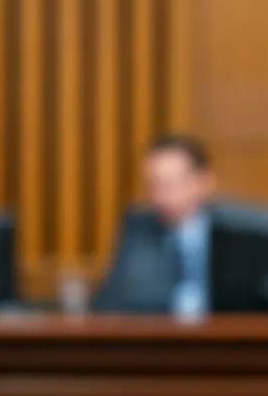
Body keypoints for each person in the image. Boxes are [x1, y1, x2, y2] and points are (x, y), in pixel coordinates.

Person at [93, 133, 217, 315]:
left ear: (203, 183)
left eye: (169, 184)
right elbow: (109, 302)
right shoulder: (138, 229)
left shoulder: (232, 234)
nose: (159, 196)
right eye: (153, 185)